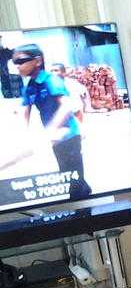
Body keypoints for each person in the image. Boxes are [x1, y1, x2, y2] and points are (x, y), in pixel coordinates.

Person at [12, 44, 92, 199]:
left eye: (21, 61)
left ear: (37, 61)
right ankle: (84, 193)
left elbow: (67, 105)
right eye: (15, 63)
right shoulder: (30, 87)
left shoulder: (51, 80)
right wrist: (22, 138)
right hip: (56, 140)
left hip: (69, 135)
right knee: (67, 173)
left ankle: (82, 205)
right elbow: (24, 113)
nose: (18, 66)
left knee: (72, 178)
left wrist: (51, 129)